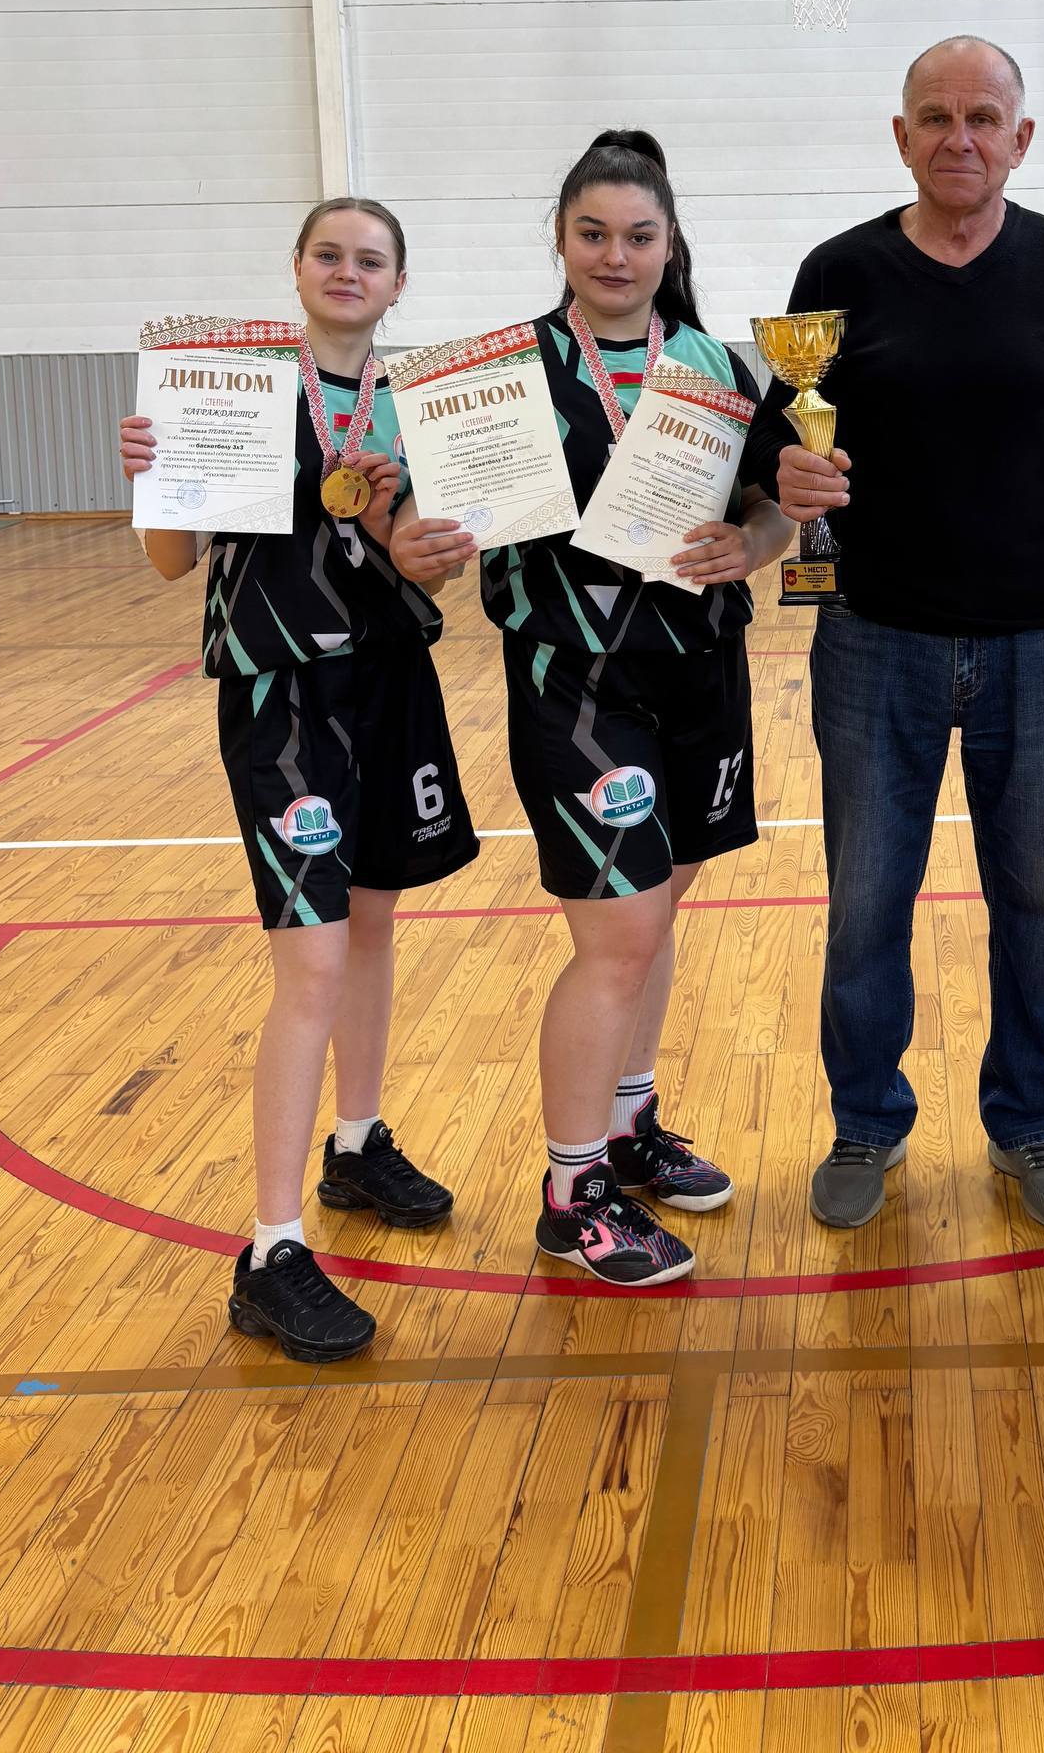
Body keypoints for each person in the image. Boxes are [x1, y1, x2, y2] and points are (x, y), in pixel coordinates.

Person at [768, 36, 1044, 1235]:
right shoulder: (839, 269)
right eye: (936, 117)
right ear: (901, 136)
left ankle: (1031, 1124)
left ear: (1020, 138)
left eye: (983, 117)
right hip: (873, 639)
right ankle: (865, 1121)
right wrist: (784, 475)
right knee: (865, 903)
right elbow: (785, 432)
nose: (960, 137)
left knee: (1037, 903)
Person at [392, 131, 791, 1287]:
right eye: (594, 233)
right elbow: (420, 527)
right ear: (561, 239)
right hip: (576, 679)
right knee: (617, 935)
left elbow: (770, 506)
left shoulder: (713, 361)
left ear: (669, 244)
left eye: (639, 235)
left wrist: (751, 545)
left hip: (700, 668)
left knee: (654, 917)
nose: (617, 255)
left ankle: (626, 1125)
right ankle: (574, 1197)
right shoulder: (501, 373)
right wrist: (419, 544)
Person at [119, 198, 480, 1362]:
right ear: (297, 267)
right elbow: (172, 561)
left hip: (389, 680)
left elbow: (424, 561)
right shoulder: (231, 387)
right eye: (329, 253)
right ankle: (271, 1251)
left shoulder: (413, 402)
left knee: (370, 927)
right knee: (311, 962)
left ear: (398, 283)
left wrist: (415, 528)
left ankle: (356, 1144)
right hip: (280, 694)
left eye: (370, 259)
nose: (347, 271)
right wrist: (155, 476)